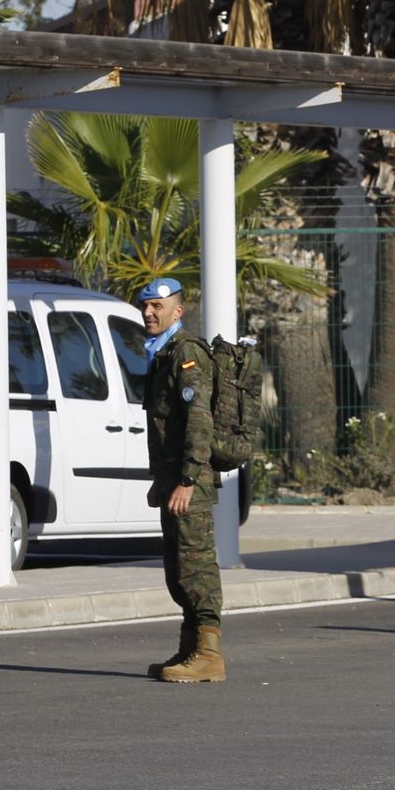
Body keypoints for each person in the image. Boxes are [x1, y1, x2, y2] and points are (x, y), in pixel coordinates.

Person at [139, 278, 225, 683]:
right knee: (177, 567)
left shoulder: (186, 353)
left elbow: (198, 419)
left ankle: (210, 655)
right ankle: (190, 647)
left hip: (191, 482)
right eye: (145, 306)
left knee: (196, 565)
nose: (149, 313)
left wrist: (188, 477)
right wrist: (164, 479)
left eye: (157, 306)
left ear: (178, 310)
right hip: (173, 479)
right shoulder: (162, 355)